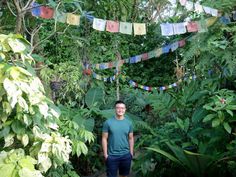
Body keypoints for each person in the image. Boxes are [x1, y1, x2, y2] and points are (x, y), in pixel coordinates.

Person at [102, 100, 134, 177]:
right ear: (115, 109)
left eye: (122, 108)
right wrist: (106, 154)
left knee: (123, 175)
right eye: (118, 108)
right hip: (112, 156)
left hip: (126, 155)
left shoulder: (129, 123)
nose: (120, 110)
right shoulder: (108, 122)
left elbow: (131, 138)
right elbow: (104, 138)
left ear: (125, 109)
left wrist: (131, 152)